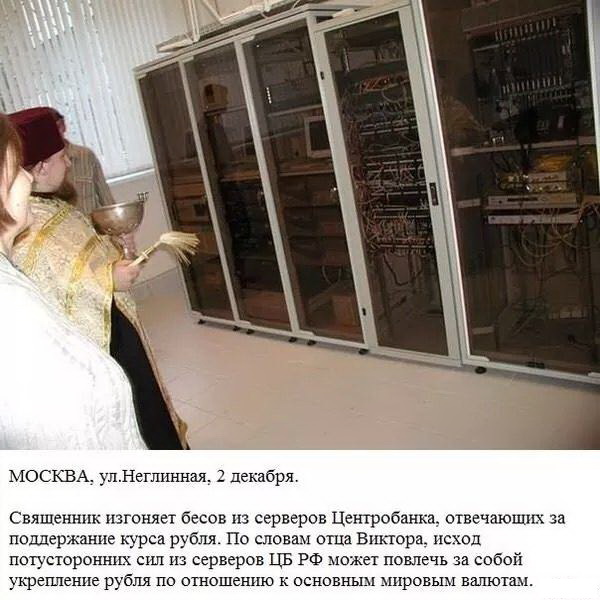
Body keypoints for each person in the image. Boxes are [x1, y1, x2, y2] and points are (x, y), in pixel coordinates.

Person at [9, 107, 187, 450]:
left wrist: (115, 250)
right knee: (139, 417)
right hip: (104, 344)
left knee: (150, 408)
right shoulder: (30, 227)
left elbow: (80, 258)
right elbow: (53, 287)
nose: (69, 163)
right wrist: (110, 280)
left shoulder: (53, 206)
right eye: (62, 156)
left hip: (115, 325)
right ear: (41, 167)